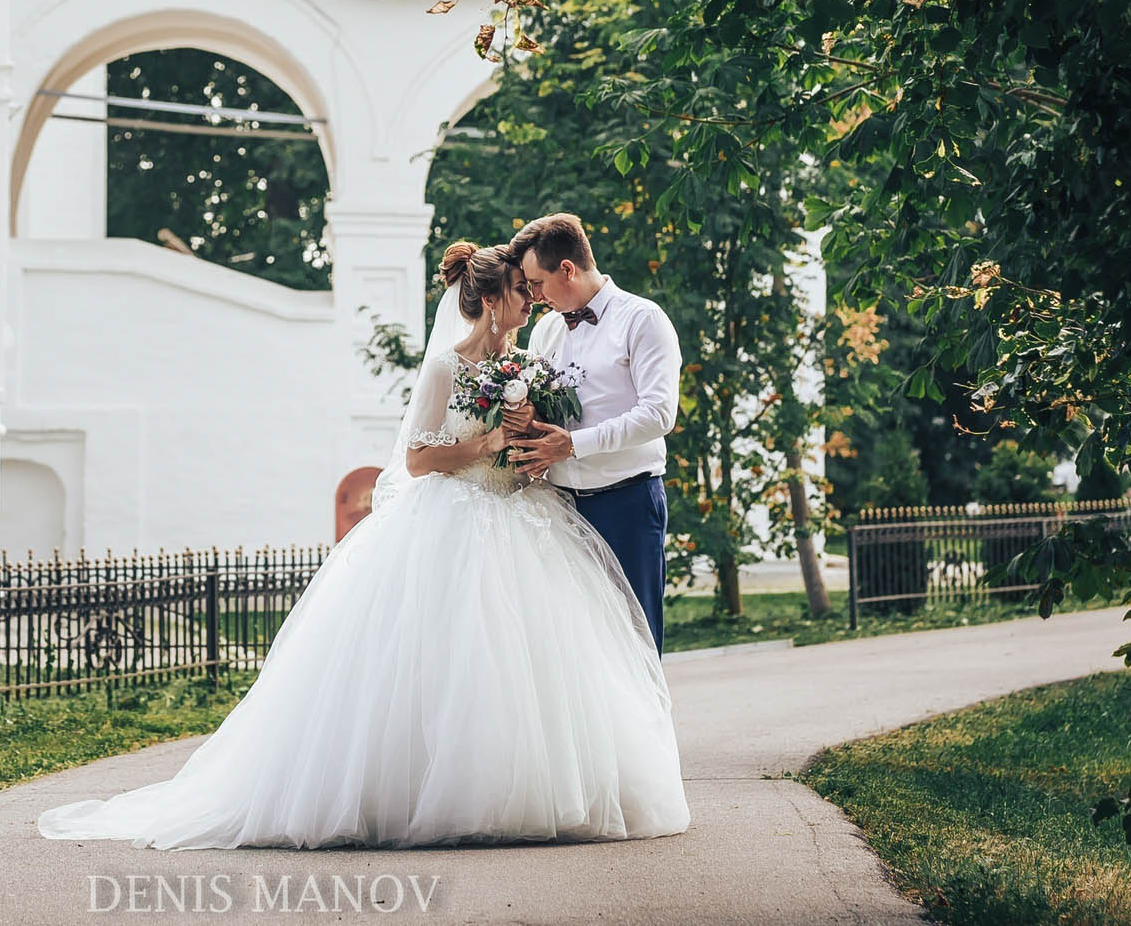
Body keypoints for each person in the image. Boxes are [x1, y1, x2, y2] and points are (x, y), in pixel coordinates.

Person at [35, 241, 690, 850]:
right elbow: (418, 456)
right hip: (455, 519)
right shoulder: (445, 364)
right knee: (450, 659)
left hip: (519, 514)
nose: (531, 300)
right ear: (493, 299)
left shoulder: (523, 362)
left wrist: (525, 445)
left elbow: (534, 443)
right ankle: (430, 793)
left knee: (531, 658)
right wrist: (487, 444)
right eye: (522, 290)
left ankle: (534, 791)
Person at [505, 213, 682, 646]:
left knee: (636, 637)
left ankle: (649, 718)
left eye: (538, 284)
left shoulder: (643, 319)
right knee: (577, 648)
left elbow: (659, 414)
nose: (534, 296)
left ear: (567, 269)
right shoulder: (546, 330)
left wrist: (574, 445)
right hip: (561, 509)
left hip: (627, 502)